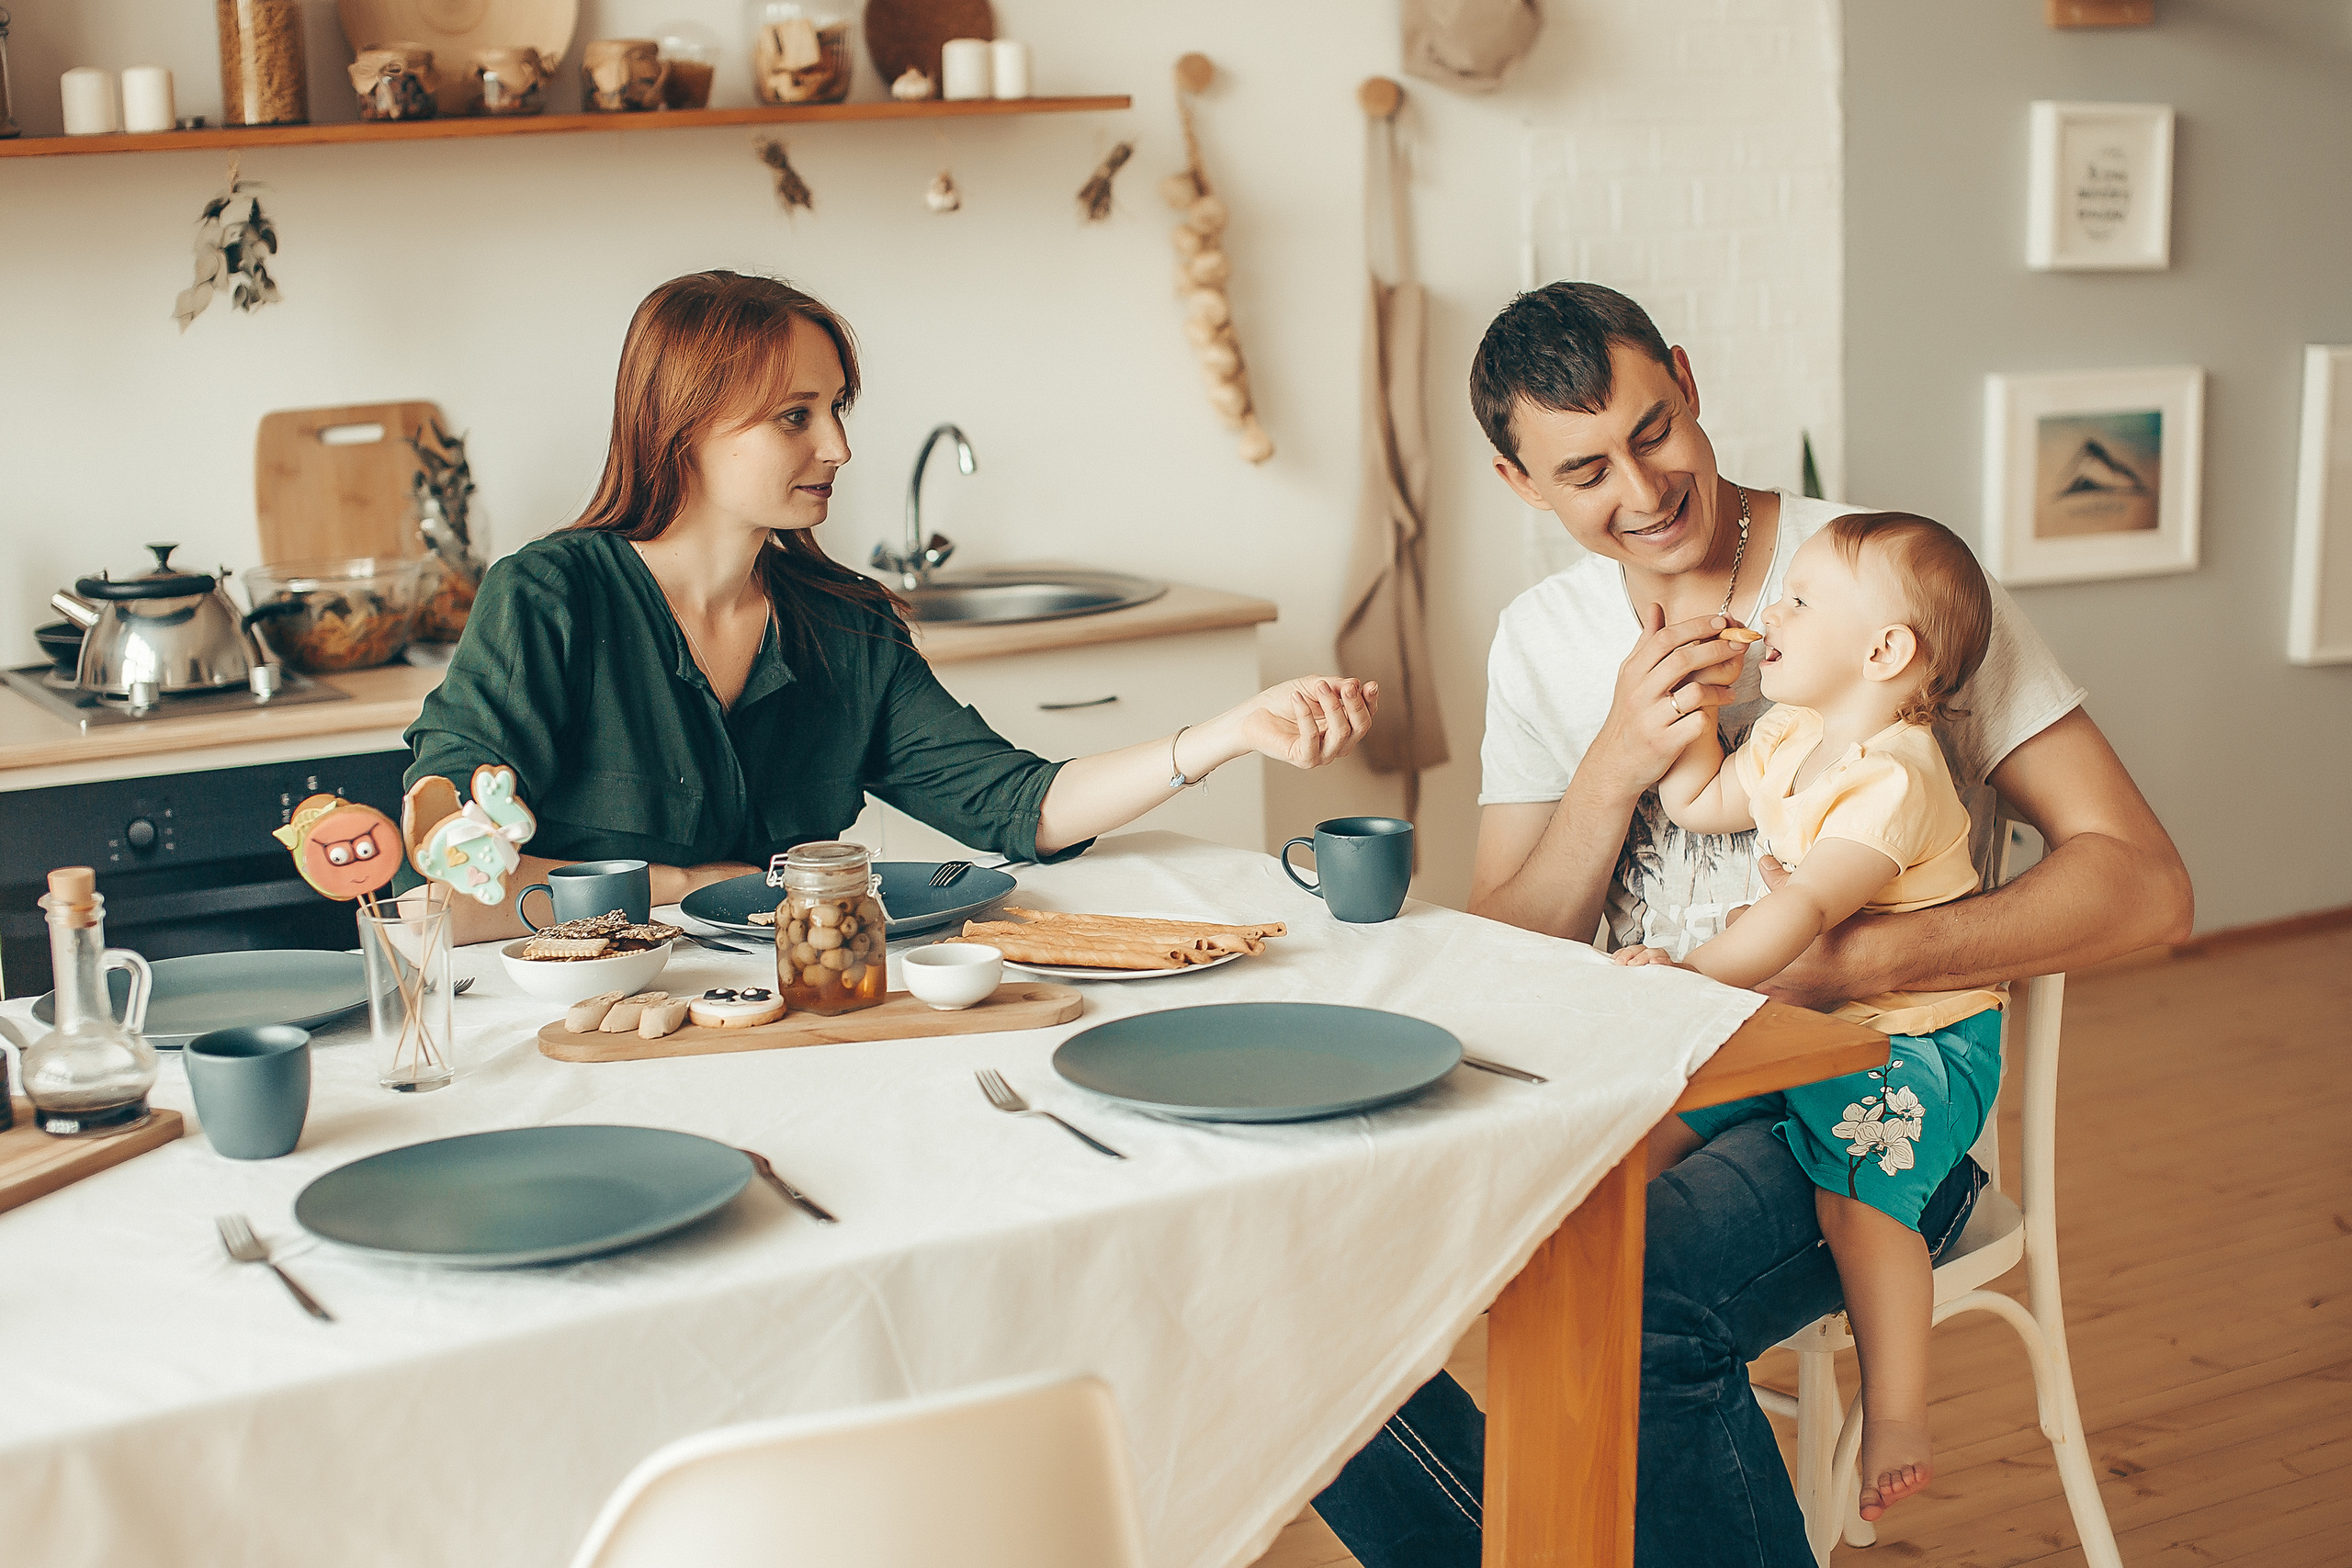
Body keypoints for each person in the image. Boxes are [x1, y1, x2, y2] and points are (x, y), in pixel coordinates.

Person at [1313, 283, 2190, 1568]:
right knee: (1323, 1280)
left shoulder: (1880, 577)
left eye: (1654, 428)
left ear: (1687, 375)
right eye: (1585, 469)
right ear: (1518, 483)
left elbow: (2147, 885)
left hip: (1875, 1114)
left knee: (1635, 1295)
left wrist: (1871, 957)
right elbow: (1503, 952)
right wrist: (1615, 760)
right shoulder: (1546, 641)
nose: (1644, 488)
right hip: (1650, 1091)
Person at [401, 271, 1377, 942]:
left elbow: (1017, 807)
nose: (837, 447)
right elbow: (452, 879)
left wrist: (1230, 733)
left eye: (837, 409)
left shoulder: (843, 624)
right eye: (796, 417)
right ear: (685, 426)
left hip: (795, 1008)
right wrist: (692, 891)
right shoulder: (551, 597)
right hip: (584, 1021)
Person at [1614, 511, 2005, 1521]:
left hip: (1915, 1040)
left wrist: (1686, 982)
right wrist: (1693, 708)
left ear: (1883, 651)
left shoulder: (1894, 777)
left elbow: (1798, 912)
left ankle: (1900, 1409)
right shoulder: (1790, 731)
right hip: (1814, 1022)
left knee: (1858, 1202)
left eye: (1798, 599)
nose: (1768, 610)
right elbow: (1699, 799)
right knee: (1645, 1139)